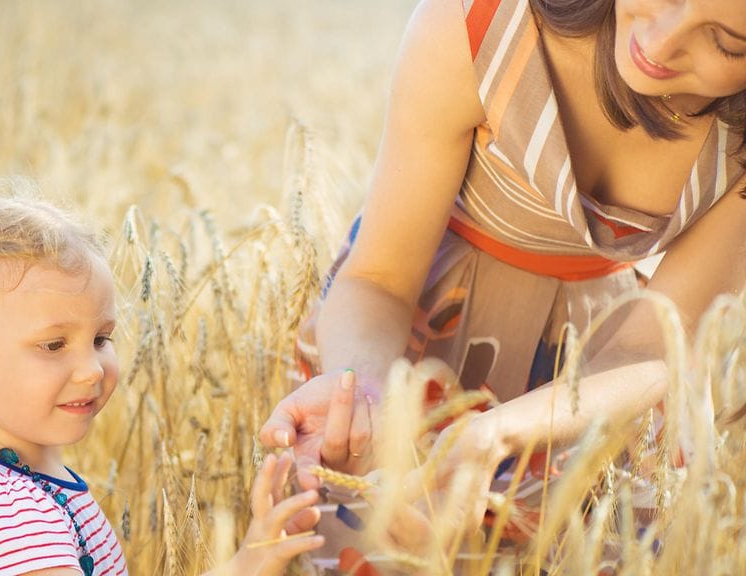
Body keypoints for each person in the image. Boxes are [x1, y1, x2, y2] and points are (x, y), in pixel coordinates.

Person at [260, 0, 746, 568]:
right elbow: (380, 278)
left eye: (728, 42)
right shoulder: (481, 25)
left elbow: (651, 344)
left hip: (598, 383)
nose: (661, 44)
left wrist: (504, 431)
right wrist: (362, 388)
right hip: (415, 331)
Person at [0, 188, 325, 576]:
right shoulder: (6, 514)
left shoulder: (16, 484)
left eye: (101, 338)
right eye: (53, 345)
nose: (93, 370)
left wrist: (249, 561)